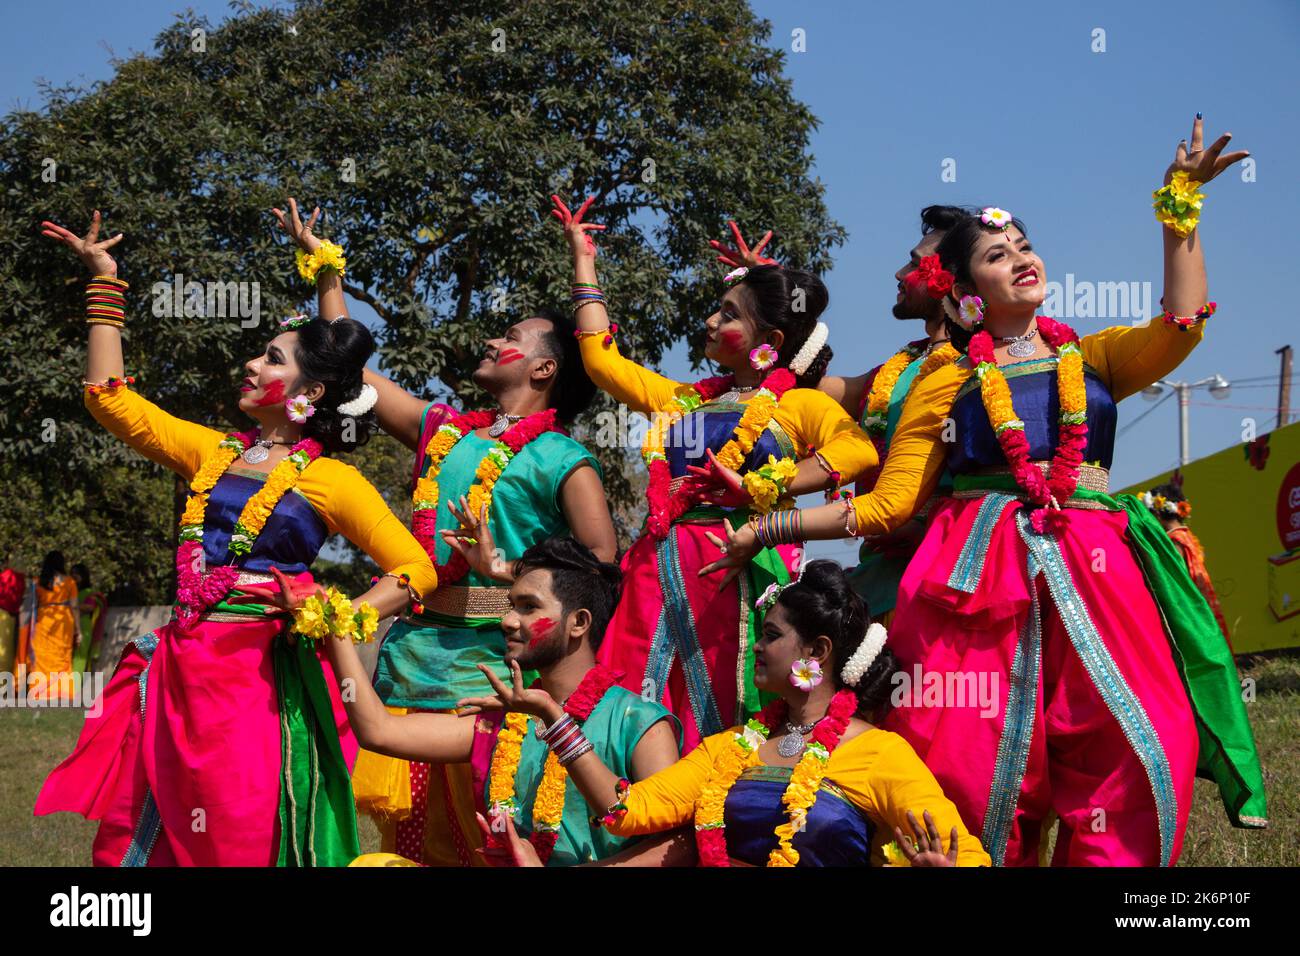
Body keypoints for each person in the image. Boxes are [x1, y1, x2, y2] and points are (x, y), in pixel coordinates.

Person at [703, 117, 1267, 865]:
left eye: (1025, 247)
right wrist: (769, 527)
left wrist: (1180, 204)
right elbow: (887, 505)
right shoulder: (944, 376)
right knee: (972, 758)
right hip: (976, 576)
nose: (1022, 260)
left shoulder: (1092, 357)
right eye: (998, 256)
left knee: (1138, 743)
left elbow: (1182, 323)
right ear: (966, 292)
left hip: (1099, 573)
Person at [34, 211, 438, 866]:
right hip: (183, 668)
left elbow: (416, 570)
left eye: (271, 358)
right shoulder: (211, 453)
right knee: (160, 825)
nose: (251, 364)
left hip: (261, 680)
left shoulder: (331, 481)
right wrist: (105, 284)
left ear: (307, 392)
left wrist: (334, 616)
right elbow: (109, 399)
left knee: (242, 829)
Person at [270, 199, 619, 865]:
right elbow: (350, 369)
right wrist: (326, 269)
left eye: (511, 336)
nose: (493, 340)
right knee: (411, 837)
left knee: (481, 833)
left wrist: (508, 577)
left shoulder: (564, 460)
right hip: (411, 655)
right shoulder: (443, 430)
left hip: (490, 665)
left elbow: (601, 564)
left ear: (544, 370)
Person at [552, 194, 877, 752]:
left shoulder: (798, 406)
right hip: (660, 563)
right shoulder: (683, 401)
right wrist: (584, 260)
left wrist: (766, 486)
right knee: (634, 683)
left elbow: (860, 454)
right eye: (717, 308)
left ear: (769, 344)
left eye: (729, 313)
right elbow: (602, 361)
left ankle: (716, 820)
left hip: (740, 559)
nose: (710, 320)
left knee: (728, 693)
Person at [473, 559, 989, 867]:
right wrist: (554, 718)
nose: (757, 649)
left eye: (771, 636)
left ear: (818, 653)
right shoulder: (731, 747)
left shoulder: (878, 753)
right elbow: (626, 809)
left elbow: (961, 852)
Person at [322, 536, 690, 866]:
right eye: (511, 605)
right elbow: (377, 731)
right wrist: (335, 628)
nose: (508, 621)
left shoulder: (639, 722)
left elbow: (677, 844)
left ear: (578, 622)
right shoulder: (505, 720)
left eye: (528, 607)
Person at [819, 206, 966, 626]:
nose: (900, 274)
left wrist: (926, 527)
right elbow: (812, 388)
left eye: (916, 264)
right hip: (880, 581)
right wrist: (773, 299)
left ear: (952, 279)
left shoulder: (984, 363)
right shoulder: (899, 367)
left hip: (945, 580)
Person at [1144, 482, 1233, 650]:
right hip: (1201, 608)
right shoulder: (1187, 536)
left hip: (1189, 613)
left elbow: (1176, 582)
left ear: (1157, 513)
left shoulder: (1174, 541)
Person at [28, 550, 80, 700]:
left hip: (44, 620)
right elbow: (75, 606)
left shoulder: (38, 582)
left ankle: (40, 692)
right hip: (63, 622)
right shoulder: (70, 582)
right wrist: (78, 630)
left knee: (43, 654)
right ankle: (61, 692)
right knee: (62, 656)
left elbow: (32, 606)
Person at [69, 563, 107, 674]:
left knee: (79, 658)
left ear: (84, 576)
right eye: (72, 574)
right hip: (68, 626)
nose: (73, 576)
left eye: (77, 574)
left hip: (83, 626)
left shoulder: (89, 592)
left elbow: (90, 607)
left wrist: (71, 605)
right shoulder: (69, 591)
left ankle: (74, 688)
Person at [0, 559, 25, 676]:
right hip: (11, 617)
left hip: (4, 613)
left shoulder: (4, 576)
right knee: (8, 650)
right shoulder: (20, 578)